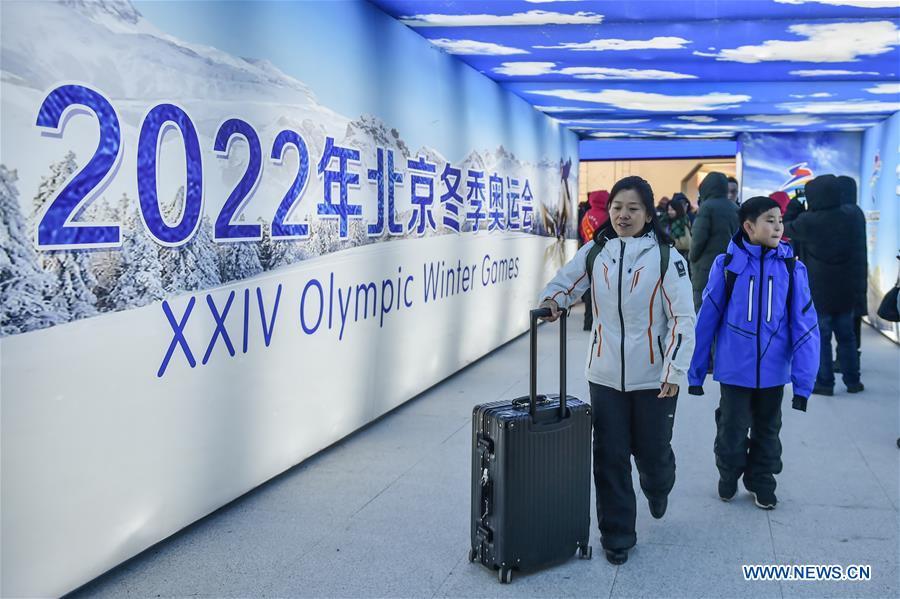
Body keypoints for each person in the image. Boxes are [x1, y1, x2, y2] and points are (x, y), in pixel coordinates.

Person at [537, 176, 695, 566]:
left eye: (633, 208)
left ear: (648, 213)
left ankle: (659, 487)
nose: (623, 215)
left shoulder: (665, 257)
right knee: (609, 456)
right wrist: (553, 301)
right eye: (617, 207)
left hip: (654, 376)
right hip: (604, 374)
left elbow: (683, 319)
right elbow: (565, 283)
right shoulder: (597, 251)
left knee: (653, 455)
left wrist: (675, 370)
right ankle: (617, 534)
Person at [688, 197, 819, 510]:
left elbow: (805, 326)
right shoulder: (727, 266)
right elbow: (707, 319)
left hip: (774, 373)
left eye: (779, 220)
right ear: (748, 226)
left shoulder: (792, 267)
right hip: (734, 370)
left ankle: (762, 481)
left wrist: (803, 384)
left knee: (768, 431)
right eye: (769, 220)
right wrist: (696, 371)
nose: (778, 226)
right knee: (731, 429)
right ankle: (729, 472)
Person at [783, 175, 864, 395]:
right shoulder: (850, 216)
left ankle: (825, 383)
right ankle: (853, 381)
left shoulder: (809, 221)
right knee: (847, 337)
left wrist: (793, 207)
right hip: (845, 289)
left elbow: (785, 228)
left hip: (819, 291)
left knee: (822, 338)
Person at [690, 172, 740, 312]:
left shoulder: (707, 207)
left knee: (703, 308)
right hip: (731, 265)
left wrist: (692, 258)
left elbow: (698, 240)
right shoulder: (735, 208)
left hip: (706, 268)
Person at [837, 176, 867, 368]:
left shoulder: (846, 212)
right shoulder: (855, 211)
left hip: (848, 274)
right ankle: (850, 357)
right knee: (852, 319)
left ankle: (847, 359)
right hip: (856, 272)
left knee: (847, 322)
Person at [579, 190, 610, 330]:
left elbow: (581, 232)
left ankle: (587, 321)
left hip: (587, 253)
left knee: (588, 288)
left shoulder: (586, 215)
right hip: (603, 255)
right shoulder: (606, 216)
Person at [663, 196, 692, 261]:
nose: (669, 212)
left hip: (679, 255)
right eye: (668, 209)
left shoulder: (682, 222)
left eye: (672, 210)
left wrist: (669, 243)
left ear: (677, 210)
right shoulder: (666, 221)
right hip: (667, 255)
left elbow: (686, 244)